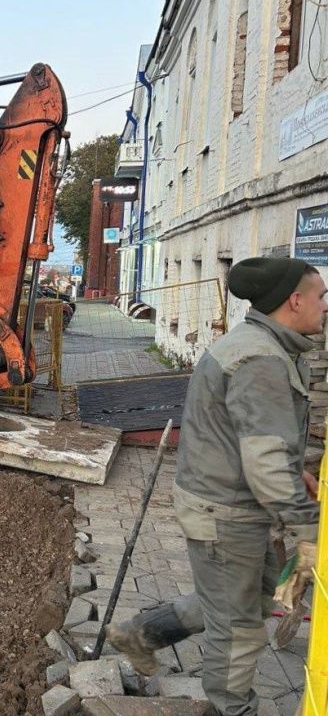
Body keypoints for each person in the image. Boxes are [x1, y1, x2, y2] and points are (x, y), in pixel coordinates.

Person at [107, 257, 324, 716]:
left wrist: (293, 469)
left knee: (242, 602)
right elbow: (263, 458)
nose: (325, 306)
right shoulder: (262, 359)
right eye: (321, 296)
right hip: (227, 514)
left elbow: (255, 437)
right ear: (295, 300)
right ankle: (232, 708)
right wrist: (308, 531)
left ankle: (140, 634)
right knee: (239, 628)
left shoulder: (264, 346)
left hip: (230, 505)